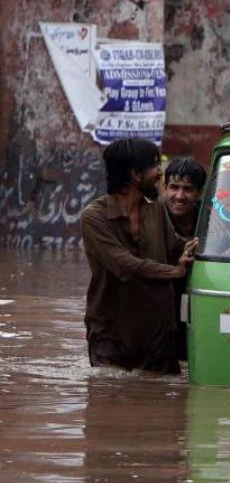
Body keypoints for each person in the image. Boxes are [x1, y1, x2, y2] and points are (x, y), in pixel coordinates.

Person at [80, 138, 197, 375]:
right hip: (111, 332)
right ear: (135, 174)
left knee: (159, 404)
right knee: (108, 400)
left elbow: (175, 246)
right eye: (154, 165)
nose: (159, 173)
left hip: (158, 334)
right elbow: (123, 264)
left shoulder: (155, 208)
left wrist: (209, 248)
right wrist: (172, 271)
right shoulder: (94, 217)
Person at [160, 156, 207, 361]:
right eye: (174, 187)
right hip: (161, 307)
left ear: (199, 192)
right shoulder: (152, 220)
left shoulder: (211, 222)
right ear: (164, 188)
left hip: (197, 307)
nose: (179, 196)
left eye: (187, 189)